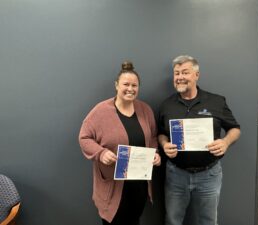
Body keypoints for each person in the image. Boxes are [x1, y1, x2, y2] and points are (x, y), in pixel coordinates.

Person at [158, 55, 241, 225]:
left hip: (209, 174)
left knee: (208, 221)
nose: (180, 77)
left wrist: (225, 142)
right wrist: (164, 144)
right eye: (176, 73)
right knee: (172, 220)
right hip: (176, 174)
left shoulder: (216, 101)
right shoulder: (166, 105)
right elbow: (160, 133)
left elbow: (235, 129)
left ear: (196, 75)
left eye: (185, 72)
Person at [79, 61, 161, 225]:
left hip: (139, 185)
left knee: (134, 220)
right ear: (116, 85)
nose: (130, 89)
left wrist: (155, 154)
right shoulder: (101, 111)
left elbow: (152, 137)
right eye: (126, 84)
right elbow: (84, 138)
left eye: (134, 85)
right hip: (113, 186)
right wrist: (101, 153)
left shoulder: (145, 110)